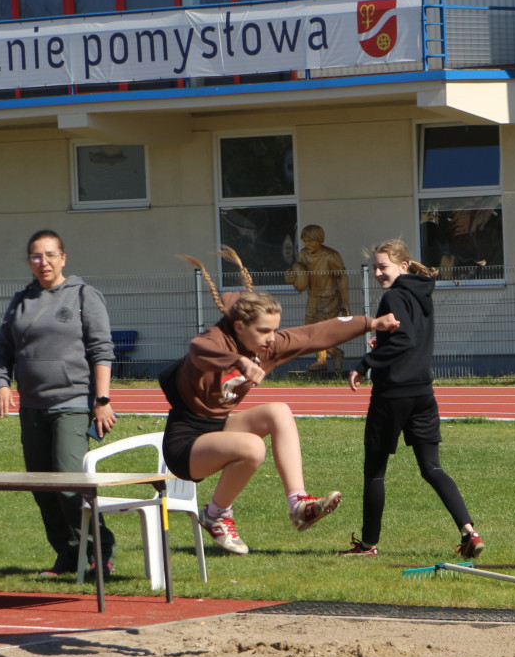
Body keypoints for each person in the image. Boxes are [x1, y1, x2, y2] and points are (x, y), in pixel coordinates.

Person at [162, 246, 398, 555]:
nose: (272, 338)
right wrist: (240, 361)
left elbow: (316, 333)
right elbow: (198, 350)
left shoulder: (267, 347)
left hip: (219, 428)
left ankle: (298, 503)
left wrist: (371, 323)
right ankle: (216, 514)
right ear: (239, 327)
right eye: (264, 331)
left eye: (274, 330)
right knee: (252, 446)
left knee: (279, 411)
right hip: (186, 445)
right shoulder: (214, 342)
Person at [341, 239, 484, 559]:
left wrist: (366, 363)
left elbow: (403, 339)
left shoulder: (393, 296)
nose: (378, 273)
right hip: (423, 393)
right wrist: (384, 343)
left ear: (403, 267)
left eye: (384, 266)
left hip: (392, 394)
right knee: (431, 468)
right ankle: (469, 532)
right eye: (375, 267)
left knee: (375, 472)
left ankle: (367, 546)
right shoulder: (423, 296)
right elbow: (410, 339)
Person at [0, 230, 117, 578]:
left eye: (49, 255)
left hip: (72, 402)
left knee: (68, 481)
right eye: (35, 256)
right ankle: (67, 553)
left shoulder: (83, 295)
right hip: (32, 407)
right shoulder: (20, 301)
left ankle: (100, 550)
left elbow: (101, 350)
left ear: (63, 258)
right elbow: (2, 350)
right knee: (42, 486)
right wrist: (1, 384)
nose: (42, 262)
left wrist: (102, 400)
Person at [283, 224, 350, 373]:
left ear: (320, 240)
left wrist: (345, 302)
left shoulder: (331, 256)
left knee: (321, 330)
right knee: (310, 332)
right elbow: (301, 279)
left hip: (330, 298)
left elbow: (342, 277)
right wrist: (292, 278)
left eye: (311, 241)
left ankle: (322, 360)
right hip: (312, 297)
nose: (307, 245)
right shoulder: (303, 255)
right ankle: (336, 353)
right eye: (305, 241)